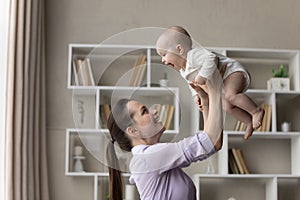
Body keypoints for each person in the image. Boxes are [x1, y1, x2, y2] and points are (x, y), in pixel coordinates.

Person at [106, 69, 224, 200]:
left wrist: (206, 102)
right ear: (133, 131)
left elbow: (208, 143)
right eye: (144, 111)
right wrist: (216, 90)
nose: (154, 111)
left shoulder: (149, 158)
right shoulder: (148, 157)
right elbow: (212, 141)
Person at [156, 25, 265, 140]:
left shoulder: (193, 55)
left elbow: (212, 58)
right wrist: (196, 95)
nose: (163, 60)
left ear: (179, 49)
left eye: (164, 55)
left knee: (230, 96)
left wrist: (202, 75)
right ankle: (248, 121)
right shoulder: (183, 70)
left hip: (233, 72)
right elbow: (193, 84)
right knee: (227, 106)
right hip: (224, 81)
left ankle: (256, 111)